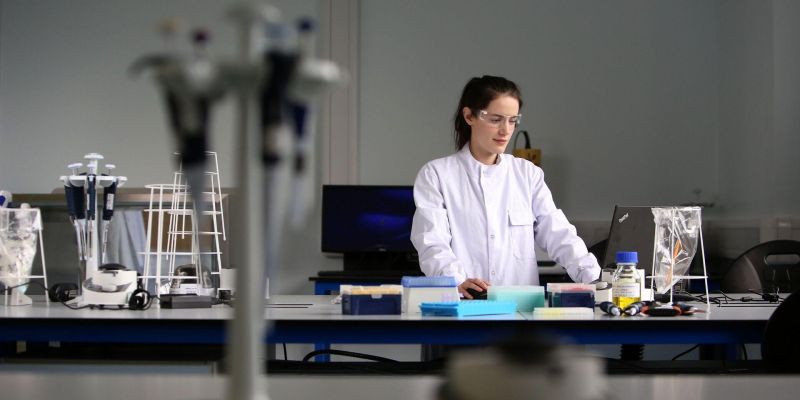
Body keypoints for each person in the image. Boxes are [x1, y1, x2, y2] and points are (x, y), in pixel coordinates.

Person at [410, 75, 601, 299]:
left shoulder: (527, 174)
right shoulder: (437, 175)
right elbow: (432, 243)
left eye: (512, 120)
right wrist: (457, 280)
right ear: (469, 116)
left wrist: (595, 278)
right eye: (496, 119)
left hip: (522, 309)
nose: (505, 130)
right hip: (465, 307)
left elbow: (558, 233)